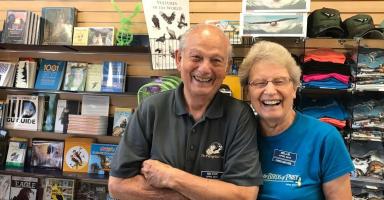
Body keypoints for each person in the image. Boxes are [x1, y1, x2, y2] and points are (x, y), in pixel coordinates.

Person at [109, 24, 263, 200]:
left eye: (216, 60)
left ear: (227, 67)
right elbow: (118, 186)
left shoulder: (240, 115)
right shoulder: (151, 109)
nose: (205, 68)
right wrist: (198, 193)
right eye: (196, 57)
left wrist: (171, 177)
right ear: (179, 59)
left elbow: (244, 196)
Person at [238, 41, 354, 200]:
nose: (270, 91)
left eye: (279, 81)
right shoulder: (239, 136)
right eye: (259, 83)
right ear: (248, 92)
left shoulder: (325, 138)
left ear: (294, 88)